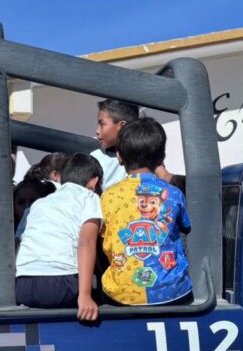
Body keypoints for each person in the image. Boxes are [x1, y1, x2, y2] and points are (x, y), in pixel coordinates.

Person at [100, 117, 192, 306]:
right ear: (161, 158)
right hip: (173, 293)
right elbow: (186, 226)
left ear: (119, 157)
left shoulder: (108, 197)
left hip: (121, 296)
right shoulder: (174, 193)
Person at [15, 153, 103, 320]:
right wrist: (85, 295)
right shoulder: (89, 197)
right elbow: (87, 242)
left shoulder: (40, 203)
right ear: (94, 183)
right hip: (61, 286)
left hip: (23, 286)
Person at [92, 99, 139, 191]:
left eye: (102, 124)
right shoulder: (95, 158)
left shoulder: (145, 156)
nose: (97, 131)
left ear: (122, 126)